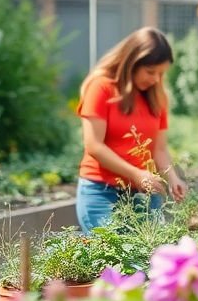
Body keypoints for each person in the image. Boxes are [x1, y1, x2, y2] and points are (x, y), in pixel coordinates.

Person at [75, 27, 187, 234]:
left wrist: (173, 179)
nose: (155, 79)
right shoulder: (101, 87)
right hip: (101, 193)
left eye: (161, 73)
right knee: (115, 259)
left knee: (146, 258)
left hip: (143, 195)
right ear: (131, 63)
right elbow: (94, 145)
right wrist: (136, 174)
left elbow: (159, 150)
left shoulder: (157, 97)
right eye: (150, 72)